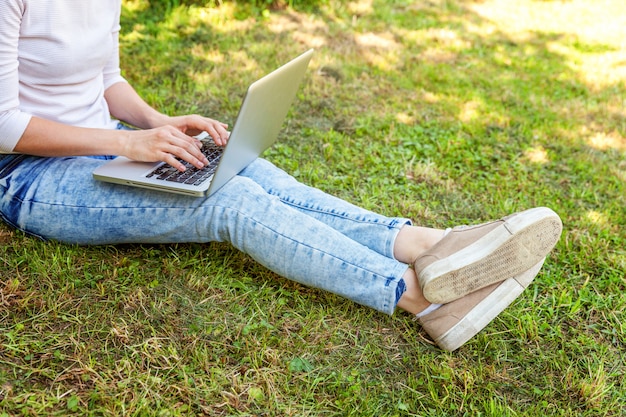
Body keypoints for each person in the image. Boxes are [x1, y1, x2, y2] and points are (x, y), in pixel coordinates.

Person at [0, 0, 562, 352]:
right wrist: (127, 140)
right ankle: (424, 300)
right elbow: (4, 124)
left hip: (106, 146)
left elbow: (106, 76)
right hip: (31, 176)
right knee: (228, 203)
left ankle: (428, 245)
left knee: (243, 167)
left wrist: (156, 122)